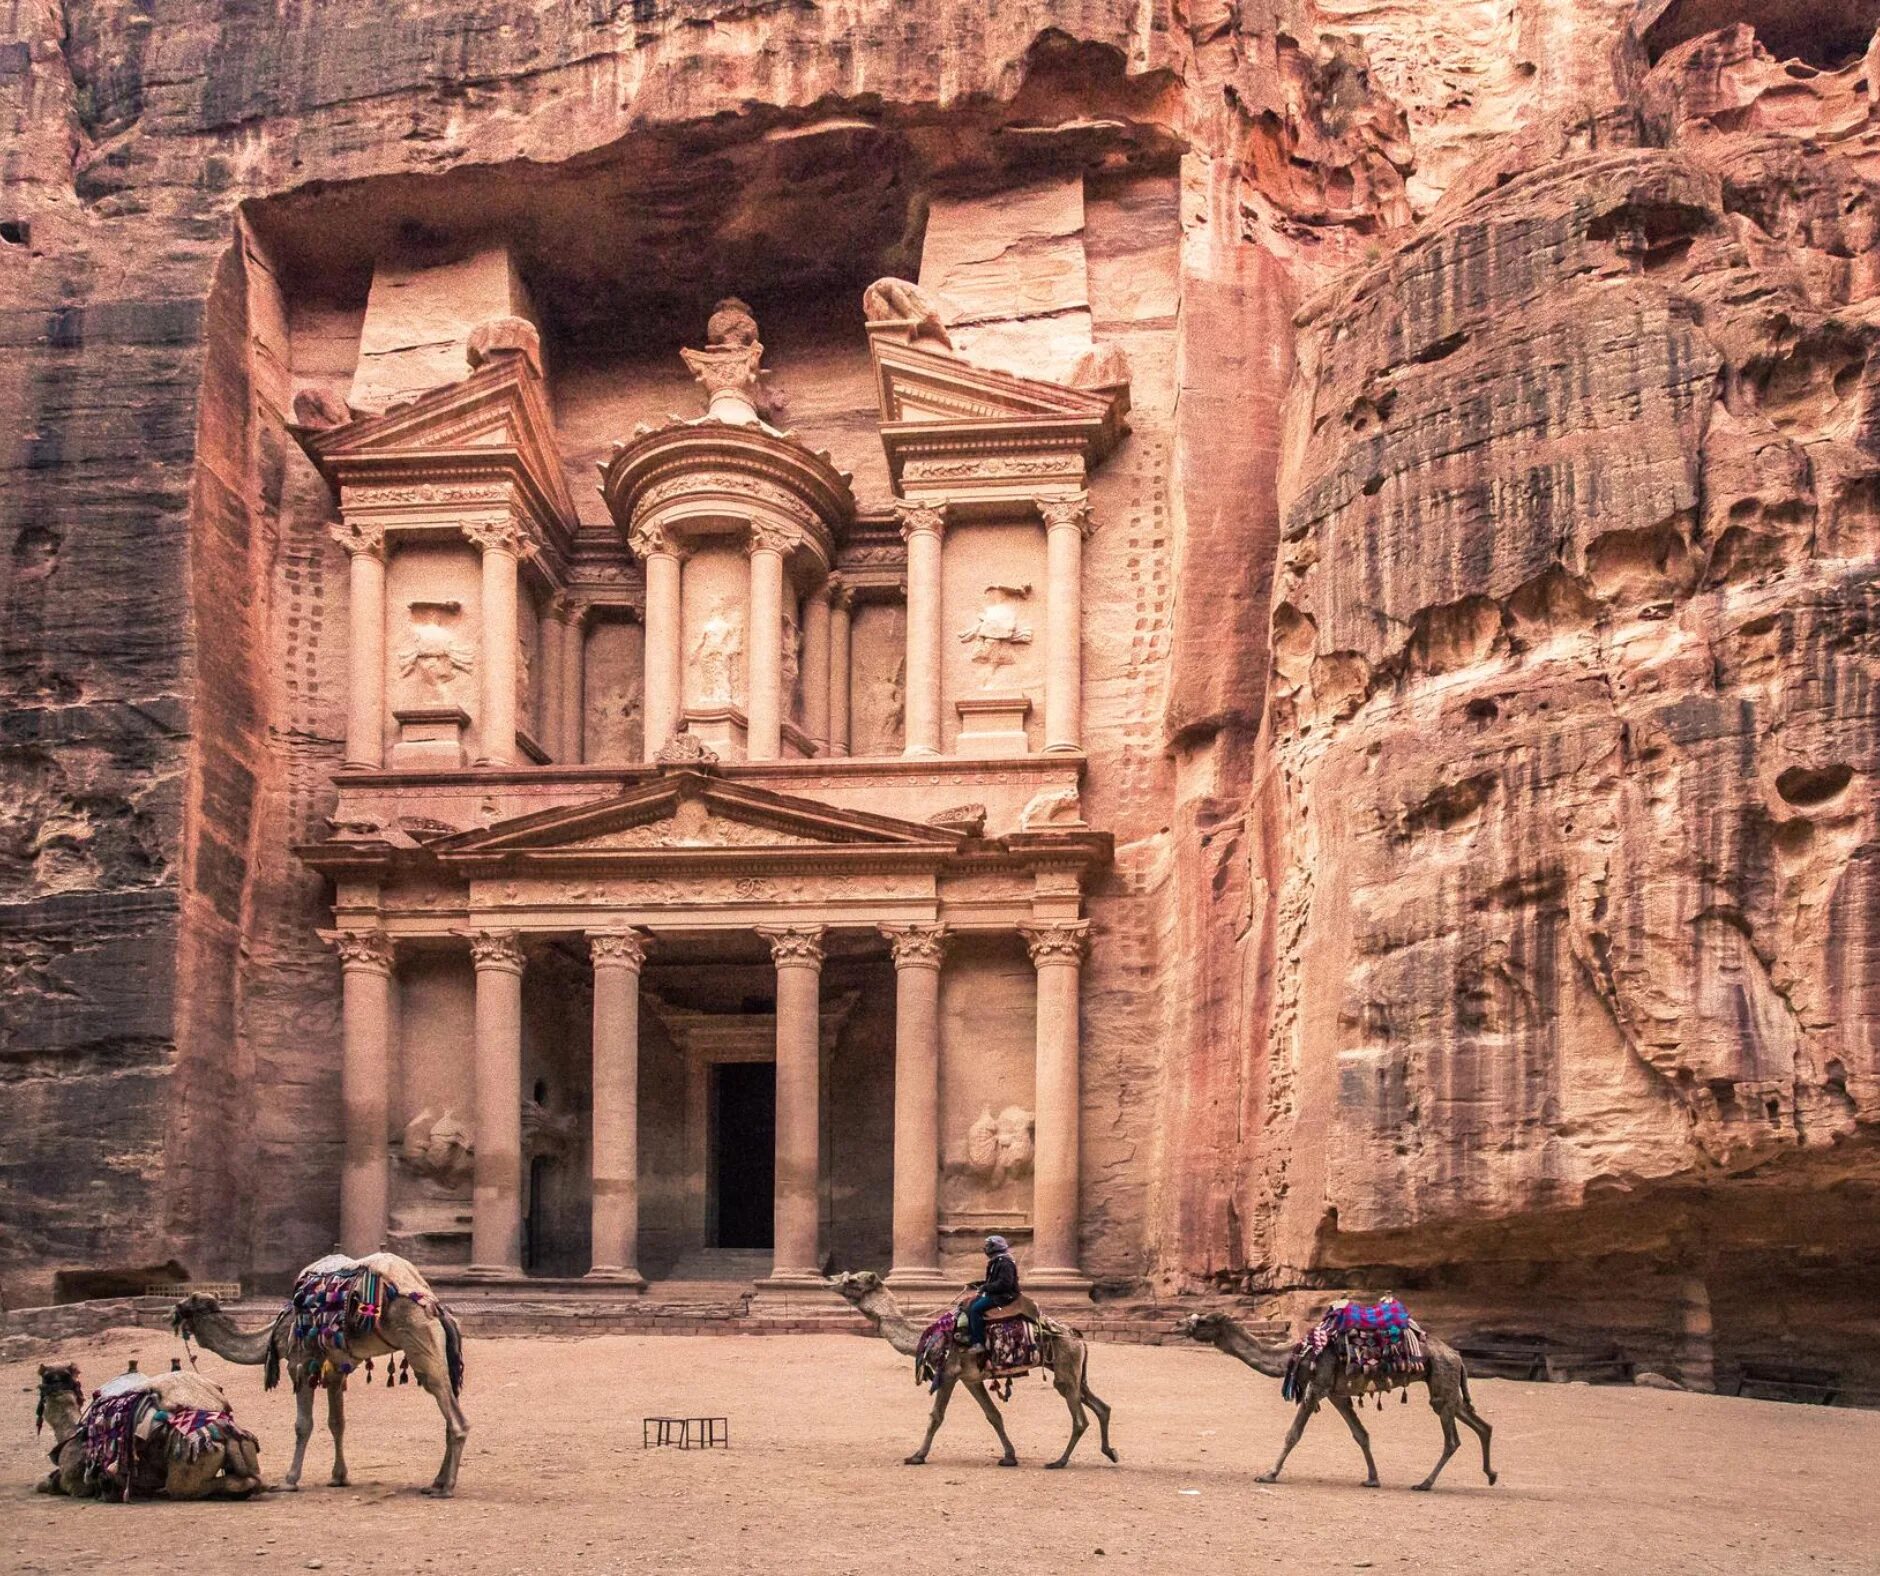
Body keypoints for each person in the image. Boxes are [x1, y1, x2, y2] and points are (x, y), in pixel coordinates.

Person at [964, 1235, 1020, 1353]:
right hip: (997, 1293)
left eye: (988, 1246)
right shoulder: (996, 1262)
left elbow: (1005, 1284)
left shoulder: (1005, 1263)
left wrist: (985, 1288)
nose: (986, 1249)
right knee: (968, 1305)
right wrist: (976, 1284)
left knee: (976, 1309)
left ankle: (978, 1342)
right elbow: (993, 1281)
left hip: (1005, 1295)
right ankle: (971, 1334)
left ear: (995, 1247)